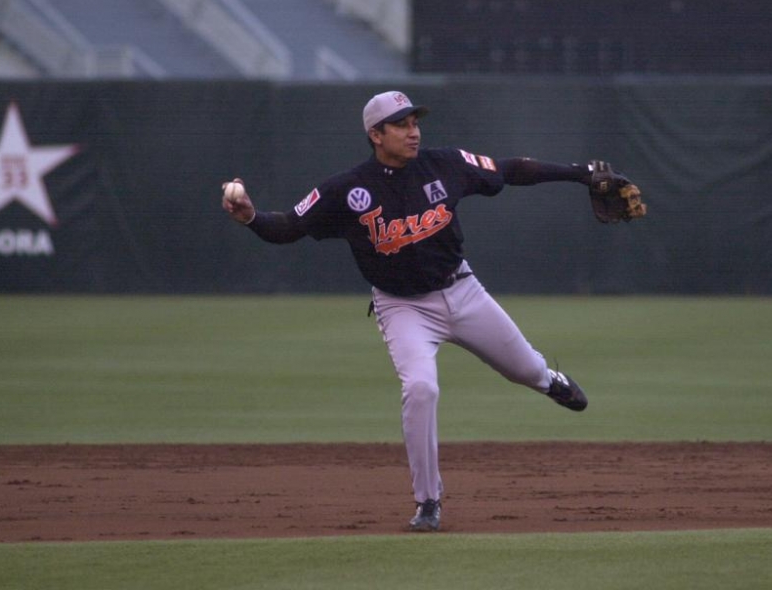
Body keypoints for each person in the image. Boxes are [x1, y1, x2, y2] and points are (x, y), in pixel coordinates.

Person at [222, 91, 645, 532]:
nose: (413, 131)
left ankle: (547, 379)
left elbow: (511, 169)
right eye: (402, 124)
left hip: (462, 292)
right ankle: (428, 501)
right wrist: (251, 217)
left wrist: (579, 174)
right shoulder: (346, 190)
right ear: (375, 134)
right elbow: (288, 226)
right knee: (421, 388)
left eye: (415, 121)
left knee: (525, 370)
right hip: (402, 307)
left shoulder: (445, 163)